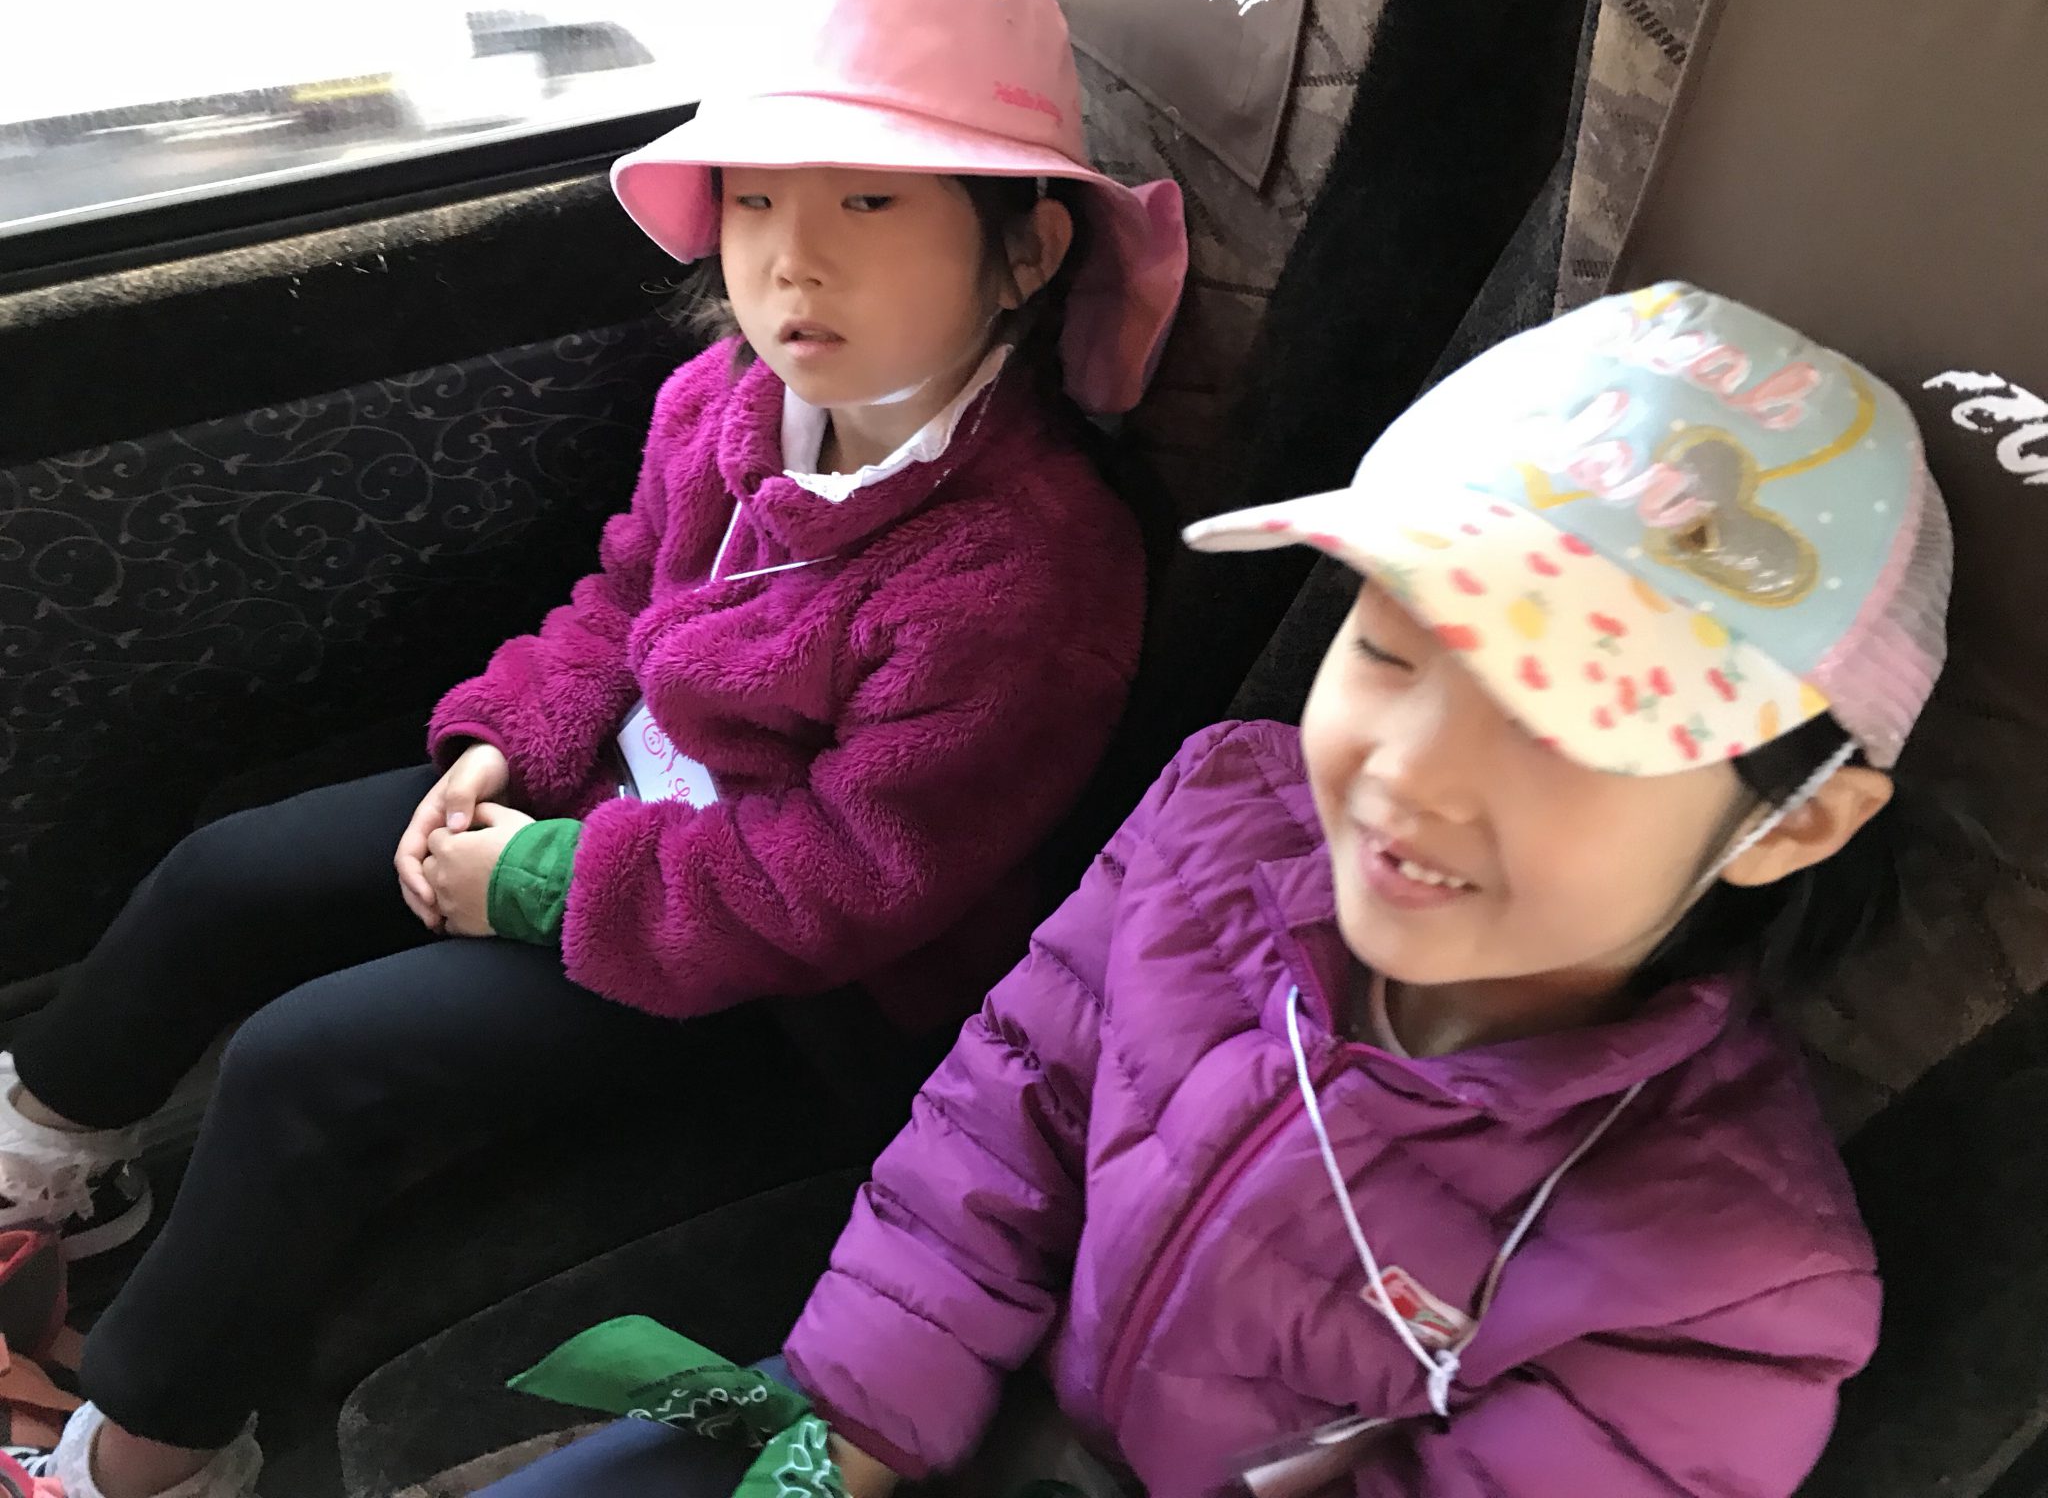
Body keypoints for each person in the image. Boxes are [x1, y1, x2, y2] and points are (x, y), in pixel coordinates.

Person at [2, 0, 1188, 1495]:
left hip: (786, 977)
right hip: (614, 800)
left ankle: (147, 1457)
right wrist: (509, 743)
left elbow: (841, 881)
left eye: (869, 204)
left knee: (311, 1064)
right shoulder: (728, 403)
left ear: (1025, 249)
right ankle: (45, 1169)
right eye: (754, 201)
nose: (794, 259)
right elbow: (628, 597)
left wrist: (536, 881)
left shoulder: (1026, 571)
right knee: (227, 870)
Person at [485, 284, 1953, 1498]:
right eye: (1390, 649)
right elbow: (1007, 1115)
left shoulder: (1722, 1288)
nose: (1407, 774)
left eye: (1562, 724)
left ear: (1795, 824)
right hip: (954, 1388)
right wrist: (860, 1420)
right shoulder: (1223, 821)